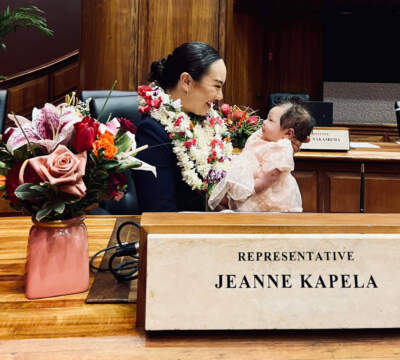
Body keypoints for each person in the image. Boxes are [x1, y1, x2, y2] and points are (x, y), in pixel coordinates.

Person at [133, 42, 304, 212]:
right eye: (216, 86)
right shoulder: (153, 131)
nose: (220, 96)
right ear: (186, 81)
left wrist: (278, 147)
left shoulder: (205, 121)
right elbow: (160, 212)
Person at [208, 101, 314, 212]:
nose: (264, 122)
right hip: (247, 179)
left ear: (288, 134)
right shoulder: (264, 135)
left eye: (271, 120)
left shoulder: (281, 148)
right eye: (267, 118)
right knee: (220, 201)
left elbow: (271, 176)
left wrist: (250, 191)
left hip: (262, 191)